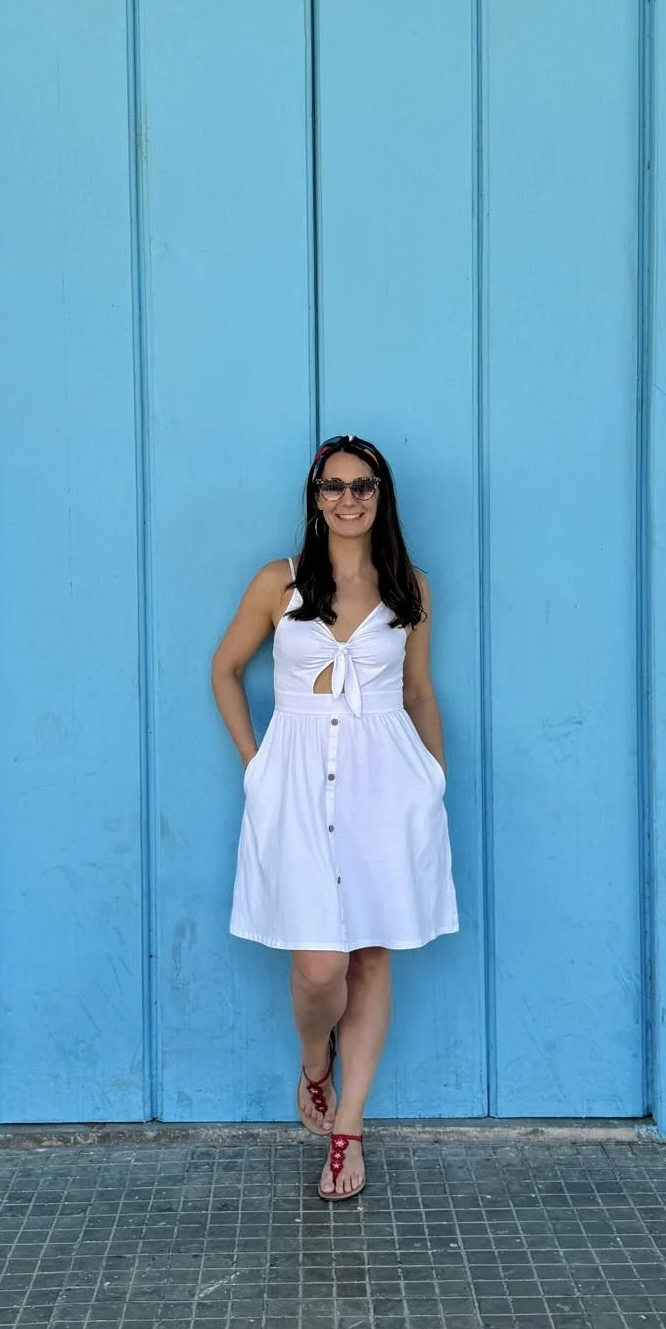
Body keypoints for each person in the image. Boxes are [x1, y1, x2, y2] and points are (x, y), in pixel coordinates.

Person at [210, 433, 458, 1202]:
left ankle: (348, 1129)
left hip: (386, 788)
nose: (348, 499)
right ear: (314, 497)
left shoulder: (408, 588)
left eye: (363, 487)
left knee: (373, 953)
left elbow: (418, 691)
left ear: (381, 497)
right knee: (319, 963)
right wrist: (257, 765)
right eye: (334, 486)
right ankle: (315, 1061)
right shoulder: (277, 585)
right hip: (295, 784)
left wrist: (433, 779)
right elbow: (224, 670)